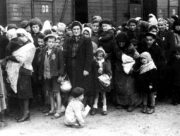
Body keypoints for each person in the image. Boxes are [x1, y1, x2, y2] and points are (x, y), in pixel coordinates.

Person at [5, 28, 36, 122]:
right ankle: (23, 112)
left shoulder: (30, 46)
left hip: (24, 70)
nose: (18, 39)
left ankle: (26, 113)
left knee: (24, 92)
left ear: (24, 35)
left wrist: (8, 57)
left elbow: (21, 59)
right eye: (17, 36)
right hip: (17, 71)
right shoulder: (21, 46)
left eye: (19, 36)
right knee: (19, 92)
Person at [64, 21, 93, 106]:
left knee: (81, 85)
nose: (76, 31)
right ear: (72, 30)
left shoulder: (86, 40)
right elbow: (65, 54)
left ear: (80, 30)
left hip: (81, 67)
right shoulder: (68, 40)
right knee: (73, 85)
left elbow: (89, 55)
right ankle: (73, 105)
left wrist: (87, 69)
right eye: (74, 29)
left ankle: (82, 105)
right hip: (71, 67)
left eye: (78, 29)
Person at [114, 32, 141, 112]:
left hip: (129, 69)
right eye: (119, 42)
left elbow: (136, 58)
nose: (121, 44)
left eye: (123, 42)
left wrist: (133, 67)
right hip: (119, 68)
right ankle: (121, 103)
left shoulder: (131, 48)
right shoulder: (116, 47)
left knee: (129, 87)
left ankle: (131, 104)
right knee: (119, 86)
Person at [38, 34, 64, 118]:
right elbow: (41, 63)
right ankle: (52, 109)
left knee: (57, 92)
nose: (51, 43)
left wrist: (60, 75)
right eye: (49, 42)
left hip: (55, 75)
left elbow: (61, 64)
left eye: (53, 42)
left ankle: (59, 110)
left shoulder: (58, 50)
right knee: (50, 92)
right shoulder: (44, 50)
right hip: (46, 75)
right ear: (46, 42)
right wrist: (40, 74)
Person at [91, 48, 112, 115]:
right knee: (96, 94)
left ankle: (104, 108)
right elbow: (93, 71)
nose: (98, 57)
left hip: (103, 81)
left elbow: (109, 72)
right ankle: (94, 107)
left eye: (100, 56)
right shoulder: (94, 63)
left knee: (103, 95)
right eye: (97, 56)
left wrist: (105, 74)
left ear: (103, 56)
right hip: (96, 81)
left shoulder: (105, 63)